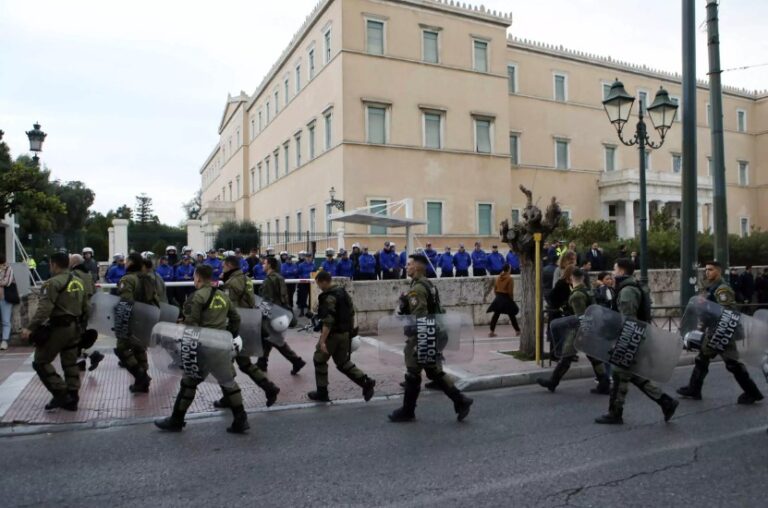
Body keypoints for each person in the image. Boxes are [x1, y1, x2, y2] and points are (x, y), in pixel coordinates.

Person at [155, 264, 249, 434]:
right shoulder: (222, 296)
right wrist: (228, 335)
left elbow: (192, 324)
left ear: (198, 277)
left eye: (194, 277)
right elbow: (236, 319)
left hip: (202, 347)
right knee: (228, 381)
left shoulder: (196, 297)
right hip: (220, 345)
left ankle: (176, 420)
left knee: (189, 382)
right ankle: (241, 419)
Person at [388, 254, 473, 423]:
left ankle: (408, 411)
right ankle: (460, 400)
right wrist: (406, 305)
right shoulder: (428, 284)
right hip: (433, 332)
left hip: (424, 333)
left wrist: (421, 342)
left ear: (418, 267)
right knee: (433, 370)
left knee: (413, 370)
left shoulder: (417, 289)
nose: (407, 267)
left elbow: (421, 317)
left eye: (410, 264)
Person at [595, 258, 679, 425]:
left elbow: (629, 319)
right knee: (631, 374)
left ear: (622, 271)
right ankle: (666, 402)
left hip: (630, 338)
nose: (613, 272)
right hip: (634, 337)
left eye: (615, 269)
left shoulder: (627, 291)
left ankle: (615, 413)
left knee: (619, 374)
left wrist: (623, 344)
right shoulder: (629, 287)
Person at [677, 261, 764, 404]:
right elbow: (710, 310)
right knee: (710, 360)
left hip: (723, 332)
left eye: (710, 270)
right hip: (717, 331)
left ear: (718, 271)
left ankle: (752, 392)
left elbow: (727, 312)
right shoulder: (712, 288)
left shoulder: (722, 289)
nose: (707, 272)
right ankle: (695, 389)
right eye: (706, 270)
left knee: (725, 362)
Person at [21, 253, 88, 411]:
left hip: (59, 328)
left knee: (41, 361)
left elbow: (44, 309)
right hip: (75, 327)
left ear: (54, 265)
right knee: (70, 362)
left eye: (51, 264)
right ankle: (73, 397)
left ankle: (61, 394)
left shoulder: (52, 283)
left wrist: (30, 328)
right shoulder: (79, 282)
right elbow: (87, 306)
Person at [216, 256, 280, 408]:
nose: (222, 268)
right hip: (247, 324)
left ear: (230, 265)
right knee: (245, 364)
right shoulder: (246, 279)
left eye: (223, 266)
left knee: (223, 364)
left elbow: (229, 308)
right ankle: (269, 388)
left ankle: (229, 397)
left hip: (235, 327)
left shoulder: (231, 283)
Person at [537, 268, 610, 394]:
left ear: (571, 278)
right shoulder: (588, 291)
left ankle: (553, 382)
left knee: (566, 355)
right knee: (593, 357)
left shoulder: (577, 295)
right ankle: (604, 383)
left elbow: (580, 317)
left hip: (579, 331)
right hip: (589, 328)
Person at [308, 271, 376, 402]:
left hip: (332, 335)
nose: (319, 287)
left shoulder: (329, 297)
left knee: (319, 359)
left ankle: (322, 392)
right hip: (345, 334)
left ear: (324, 281)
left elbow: (328, 321)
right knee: (342, 362)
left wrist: (322, 341)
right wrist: (350, 332)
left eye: (319, 284)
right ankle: (365, 381)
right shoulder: (343, 293)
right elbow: (351, 312)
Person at [115, 252, 159, 394]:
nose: (125, 263)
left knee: (122, 349)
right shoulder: (148, 278)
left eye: (127, 260)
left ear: (131, 262)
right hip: (145, 319)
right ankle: (141, 384)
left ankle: (141, 377)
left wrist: (122, 325)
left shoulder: (128, 279)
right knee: (140, 350)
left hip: (132, 320)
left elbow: (125, 303)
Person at [256, 257, 306, 374]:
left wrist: (262, 315)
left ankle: (296, 361)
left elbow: (267, 301)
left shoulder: (269, 280)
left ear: (270, 266)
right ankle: (262, 362)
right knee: (267, 338)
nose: (263, 265)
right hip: (280, 312)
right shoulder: (279, 277)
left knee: (275, 340)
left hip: (272, 315)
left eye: (264, 263)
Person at [70, 254, 105, 371]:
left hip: (78, 309)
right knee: (81, 335)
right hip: (88, 308)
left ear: (74, 263)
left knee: (74, 338)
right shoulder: (88, 274)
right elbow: (94, 291)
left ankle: (91, 355)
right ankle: (82, 362)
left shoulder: (74, 275)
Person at [487, 264, 520, 337]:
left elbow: (495, 288)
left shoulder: (498, 277)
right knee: (512, 315)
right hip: (506, 297)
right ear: (508, 269)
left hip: (499, 297)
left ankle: (491, 331)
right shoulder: (510, 278)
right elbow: (510, 291)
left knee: (496, 315)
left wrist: (498, 296)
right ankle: (517, 331)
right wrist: (511, 299)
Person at [297, 252, 315, 316]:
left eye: (309, 257)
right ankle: (301, 311)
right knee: (303, 297)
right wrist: (302, 279)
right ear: (305, 258)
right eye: (307, 257)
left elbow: (314, 273)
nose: (308, 258)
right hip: (303, 283)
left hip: (311, 283)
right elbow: (299, 274)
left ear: (311, 258)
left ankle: (309, 311)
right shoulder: (301, 265)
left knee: (311, 297)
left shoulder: (313, 265)